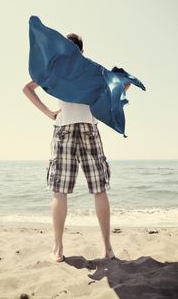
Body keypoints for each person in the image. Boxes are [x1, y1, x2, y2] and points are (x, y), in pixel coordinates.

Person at [23, 33, 130, 262]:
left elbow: (27, 89)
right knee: (99, 189)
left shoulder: (55, 70)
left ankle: (58, 249)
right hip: (89, 128)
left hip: (64, 129)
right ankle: (108, 249)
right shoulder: (92, 69)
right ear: (82, 50)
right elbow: (118, 87)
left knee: (59, 191)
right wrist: (122, 88)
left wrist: (49, 113)